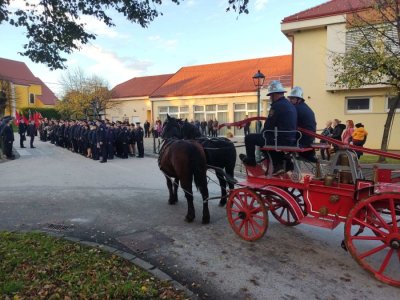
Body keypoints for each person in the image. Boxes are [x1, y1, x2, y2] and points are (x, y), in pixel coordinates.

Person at [239, 80, 297, 175]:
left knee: (249, 138)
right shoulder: (290, 105)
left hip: (279, 139)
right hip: (290, 138)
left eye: (271, 95)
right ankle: (284, 163)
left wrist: (261, 135)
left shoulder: (277, 106)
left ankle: (251, 160)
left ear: (275, 95)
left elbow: (269, 125)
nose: (270, 98)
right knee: (263, 140)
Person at [287, 86, 317, 162]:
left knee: (279, 143)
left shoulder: (295, 109)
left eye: (292, 99)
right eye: (290, 98)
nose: (290, 100)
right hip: (309, 138)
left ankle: (283, 165)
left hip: (302, 139)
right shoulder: (305, 107)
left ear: (299, 99)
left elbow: (291, 124)